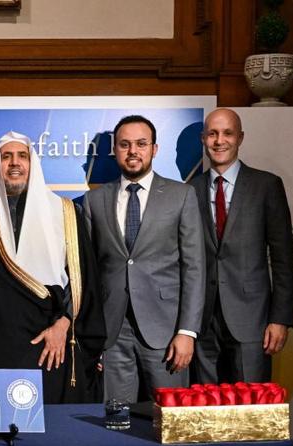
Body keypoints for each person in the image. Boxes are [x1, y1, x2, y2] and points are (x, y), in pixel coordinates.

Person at [0, 131, 106, 403]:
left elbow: (84, 280)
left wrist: (64, 325)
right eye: (6, 157)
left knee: (52, 421)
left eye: (22, 156)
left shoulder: (65, 211)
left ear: (33, 163)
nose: (14, 163)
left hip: (50, 339)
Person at [82, 115, 205, 403]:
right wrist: (92, 336)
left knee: (170, 419)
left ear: (154, 149)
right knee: (115, 420)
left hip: (167, 332)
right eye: (125, 144)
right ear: (115, 150)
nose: (133, 151)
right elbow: (89, 273)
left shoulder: (181, 195)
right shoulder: (95, 201)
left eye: (141, 144)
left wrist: (187, 331)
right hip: (113, 333)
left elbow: (195, 268)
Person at [189, 107, 293, 382]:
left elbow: (283, 259)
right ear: (203, 139)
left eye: (227, 133)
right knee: (205, 406)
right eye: (212, 134)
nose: (219, 141)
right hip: (203, 324)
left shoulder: (266, 186)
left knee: (250, 404)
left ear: (240, 138)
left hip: (253, 320)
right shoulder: (190, 190)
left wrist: (280, 319)